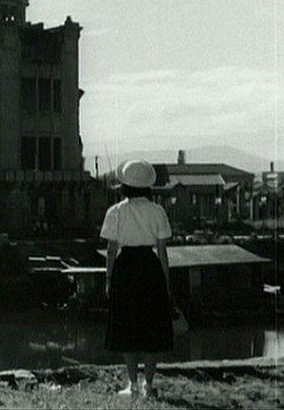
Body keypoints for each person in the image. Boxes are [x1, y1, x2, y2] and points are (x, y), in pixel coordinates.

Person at [100, 159, 173, 398]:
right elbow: (162, 251)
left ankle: (132, 384)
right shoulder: (158, 211)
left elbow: (111, 250)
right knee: (151, 330)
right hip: (150, 268)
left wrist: (109, 278)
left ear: (125, 185)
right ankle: (148, 385)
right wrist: (166, 282)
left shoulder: (116, 212)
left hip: (125, 268)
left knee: (127, 327)